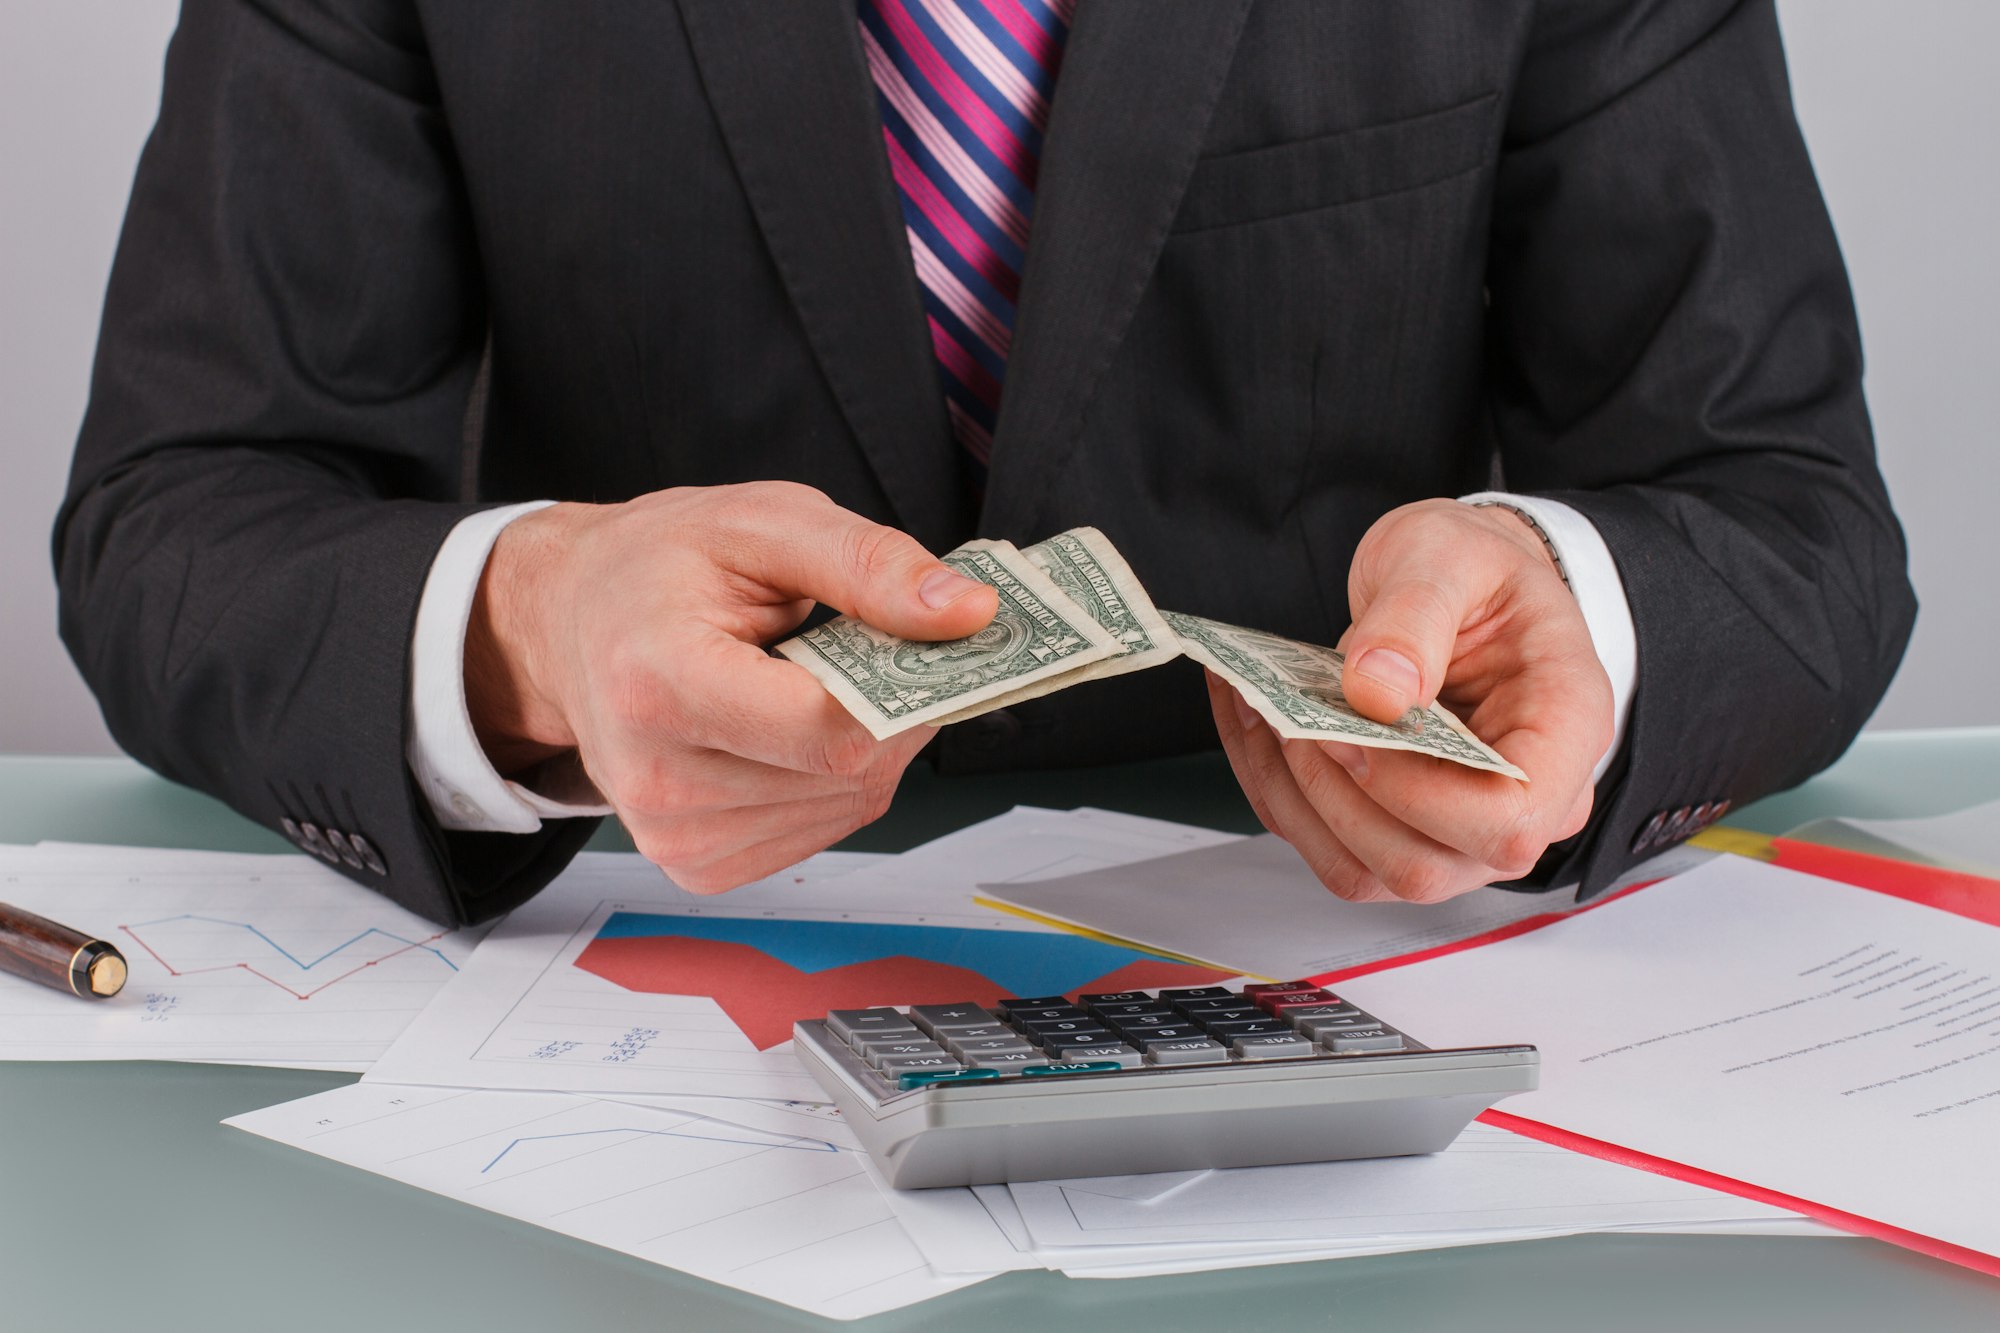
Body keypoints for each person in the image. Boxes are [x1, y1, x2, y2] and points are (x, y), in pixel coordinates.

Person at [55, 0, 1914, 928]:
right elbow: (182, 508)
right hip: (648, 957)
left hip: (1347, 956)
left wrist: (1585, 621)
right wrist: (525, 633)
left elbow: (1782, 507)